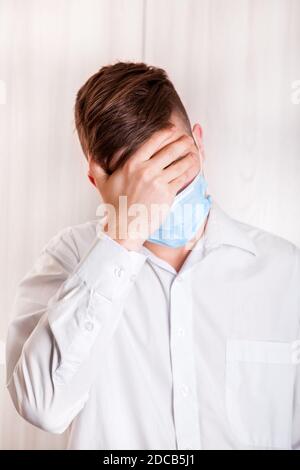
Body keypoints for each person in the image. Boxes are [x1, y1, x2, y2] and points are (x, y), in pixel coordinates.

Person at [6, 62, 300, 450]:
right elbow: (42, 406)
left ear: (198, 142)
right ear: (98, 182)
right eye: (141, 182)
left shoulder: (286, 272)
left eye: (174, 165)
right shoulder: (67, 260)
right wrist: (124, 233)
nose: (166, 194)